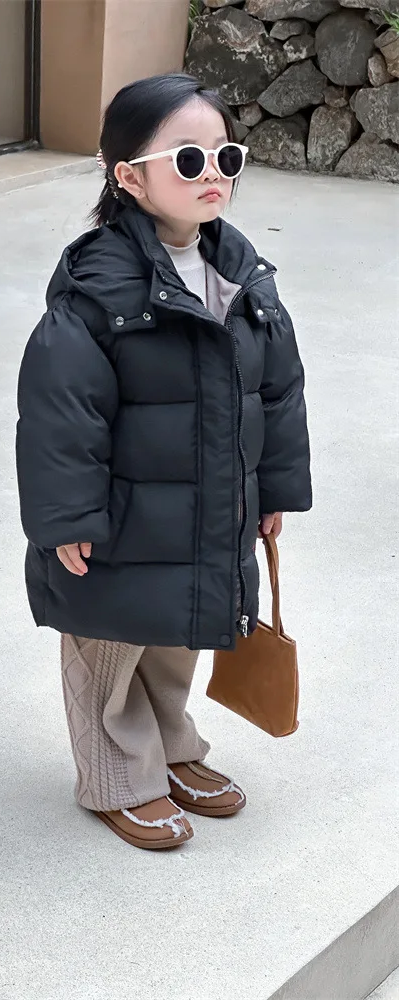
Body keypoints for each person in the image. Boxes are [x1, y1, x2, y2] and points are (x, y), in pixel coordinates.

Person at [15, 74, 311, 850]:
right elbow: (60, 413)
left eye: (225, 156)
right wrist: (67, 517)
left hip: (207, 505)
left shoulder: (241, 273)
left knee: (177, 634)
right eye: (187, 158)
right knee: (110, 645)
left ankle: (171, 748)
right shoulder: (98, 287)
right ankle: (118, 777)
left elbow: (279, 390)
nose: (213, 173)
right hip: (118, 518)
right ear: (129, 177)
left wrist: (273, 488)